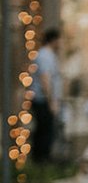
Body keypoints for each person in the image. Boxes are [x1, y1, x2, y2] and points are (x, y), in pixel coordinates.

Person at [28, 27, 63, 164]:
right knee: (44, 131)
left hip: (45, 100)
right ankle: (41, 160)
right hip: (43, 101)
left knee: (46, 130)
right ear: (53, 40)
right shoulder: (44, 56)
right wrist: (51, 101)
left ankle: (42, 159)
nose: (61, 43)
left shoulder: (49, 55)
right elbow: (45, 79)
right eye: (60, 40)